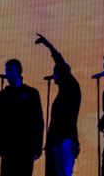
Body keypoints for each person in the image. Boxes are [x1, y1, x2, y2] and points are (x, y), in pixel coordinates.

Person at [35, 34, 81, 176]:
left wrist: (48, 45)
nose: (53, 76)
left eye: (55, 73)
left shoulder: (71, 86)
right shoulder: (64, 92)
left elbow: (60, 63)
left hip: (64, 141)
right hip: (56, 142)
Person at [0, 59, 43, 176]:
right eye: (6, 70)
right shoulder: (1, 96)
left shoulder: (32, 93)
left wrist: (38, 146)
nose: (7, 73)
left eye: (10, 70)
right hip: (8, 148)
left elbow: (38, 121)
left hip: (26, 148)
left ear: (18, 72)